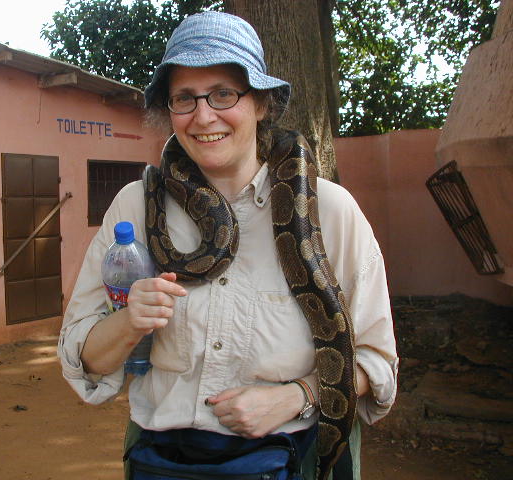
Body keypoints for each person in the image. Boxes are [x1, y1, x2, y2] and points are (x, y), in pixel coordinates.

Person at [58, 11, 398, 480]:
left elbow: (376, 364)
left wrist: (296, 395)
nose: (203, 116)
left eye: (224, 93)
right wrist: (127, 323)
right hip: (163, 462)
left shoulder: (332, 212)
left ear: (261, 104)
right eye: (184, 98)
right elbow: (85, 359)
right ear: (169, 111)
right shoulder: (136, 205)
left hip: (291, 455)